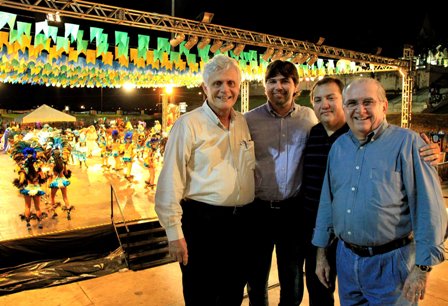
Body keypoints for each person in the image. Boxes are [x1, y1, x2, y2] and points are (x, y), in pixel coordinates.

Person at [301, 76, 443, 306]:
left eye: (368, 102)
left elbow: (430, 209)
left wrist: (422, 268)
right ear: (345, 108)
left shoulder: (408, 144)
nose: (360, 110)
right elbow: (328, 204)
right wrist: (321, 254)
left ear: (384, 105)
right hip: (346, 260)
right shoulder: (339, 148)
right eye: (353, 103)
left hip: (392, 264)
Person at [154, 54, 256, 306]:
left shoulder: (242, 122)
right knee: (202, 295)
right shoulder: (188, 125)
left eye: (231, 83)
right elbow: (170, 181)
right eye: (218, 83)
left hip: (240, 225)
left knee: (233, 294)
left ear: (239, 87)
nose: (225, 89)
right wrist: (173, 233)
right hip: (202, 225)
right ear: (205, 88)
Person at [244, 59, 318, 305]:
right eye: (272, 81)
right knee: (256, 282)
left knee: (294, 282)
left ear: (295, 86)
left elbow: (338, 136)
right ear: (264, 86)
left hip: (293, 213)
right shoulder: (248, 120)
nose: (278, 86)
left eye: (285, 81)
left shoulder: (310, 118)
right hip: (257, 212)